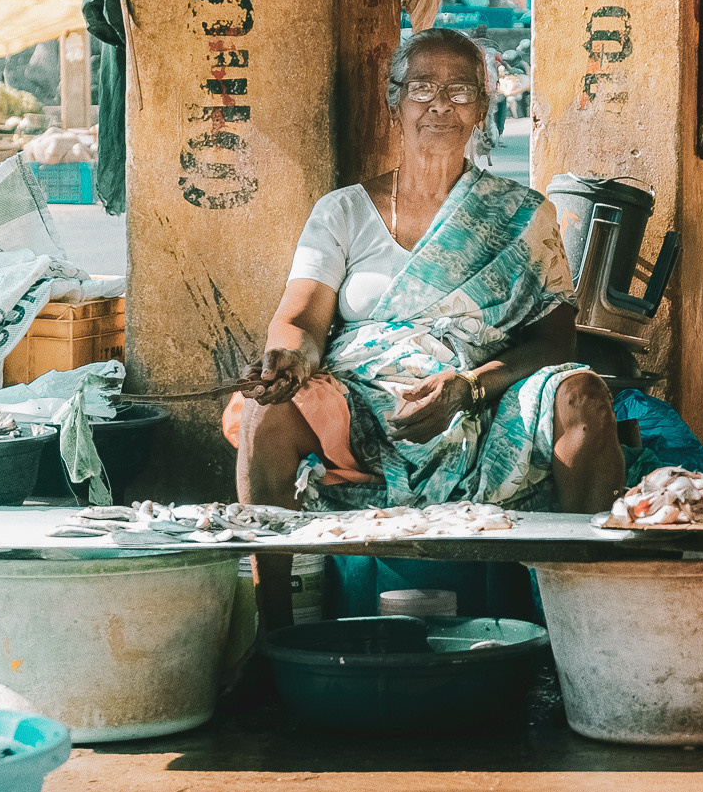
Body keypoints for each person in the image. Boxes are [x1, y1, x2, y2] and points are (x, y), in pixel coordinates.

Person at [229, 27, 625, 523]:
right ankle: (273, 597)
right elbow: (301, 321)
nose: (440, 106)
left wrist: (469, 387)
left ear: (481, 109)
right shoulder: (343, 211)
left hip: (484, 395)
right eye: (421, 89)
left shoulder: (524, 214)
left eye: (458, 92)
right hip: (364, 402)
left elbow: (554, 341)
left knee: (584, 395)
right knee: (265, 412)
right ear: (395, 104)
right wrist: (287, 360)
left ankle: (586, 586)